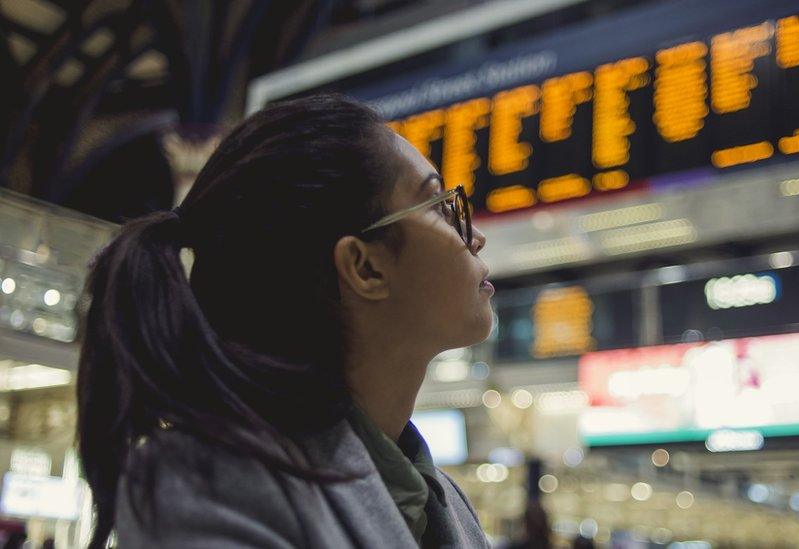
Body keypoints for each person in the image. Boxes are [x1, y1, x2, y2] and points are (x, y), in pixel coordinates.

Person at [76, 93, 494, 548]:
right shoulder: (209, 481)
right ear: (364, 267)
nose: (475, 236)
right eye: (439, 205)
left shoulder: (446, 500)